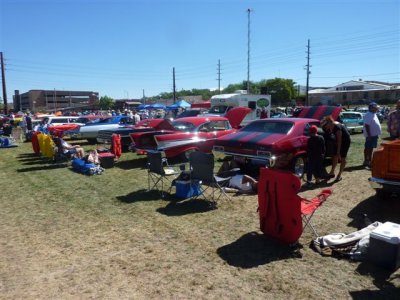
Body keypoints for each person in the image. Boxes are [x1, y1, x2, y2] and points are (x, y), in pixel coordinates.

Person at [321, 115, 351, 182]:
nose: (325, 128)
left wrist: (338, 151)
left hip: (345, 142)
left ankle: (339, 175)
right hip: (337, 141)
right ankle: (332, 172)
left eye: (325, 126)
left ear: (328, 123)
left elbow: (339, 141)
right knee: (334, 156)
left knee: (342, 158)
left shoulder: (337, 127)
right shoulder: (331, 126)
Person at [362, 102, 381, 168]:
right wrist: (369, 135)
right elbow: (367, 125)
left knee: (371, 148)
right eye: (375, 108)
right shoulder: (368, 115)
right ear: (372, 108)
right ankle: (366, 161)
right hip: (370, 135)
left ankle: (369, 160)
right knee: (367, 148)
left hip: (374, 135)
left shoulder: (373, 114)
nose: (377, 109)